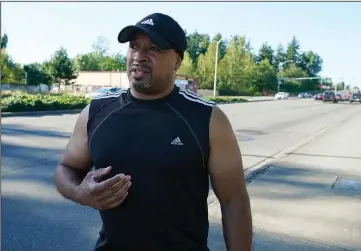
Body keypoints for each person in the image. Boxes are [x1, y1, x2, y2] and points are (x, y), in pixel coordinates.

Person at [54, 12, 252, 251]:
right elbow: (66, 168)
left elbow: (234, 201)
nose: (139, 56)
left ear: (177, 61)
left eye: (154, 49)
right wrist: (79, 192)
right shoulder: (97, 112)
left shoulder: (207, 118)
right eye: (134, 47)